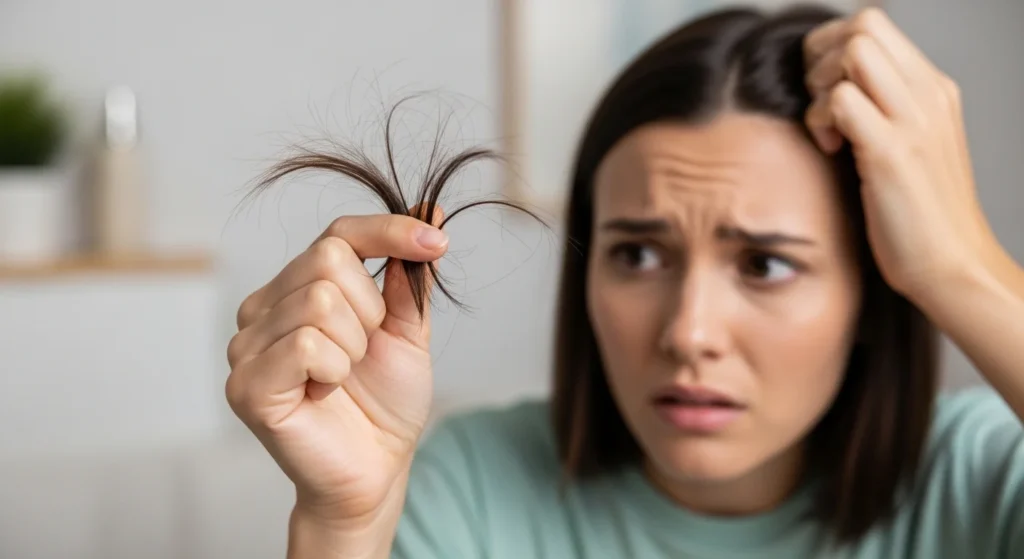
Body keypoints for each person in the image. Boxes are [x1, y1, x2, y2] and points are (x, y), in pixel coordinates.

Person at [225, 4, 1024, 558]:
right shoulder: (477, 486)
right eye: (638, 254)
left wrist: (963, 268)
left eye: (765, 264)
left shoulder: (981, 479)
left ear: (872, 298)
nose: (688, 331)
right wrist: (344, 526)